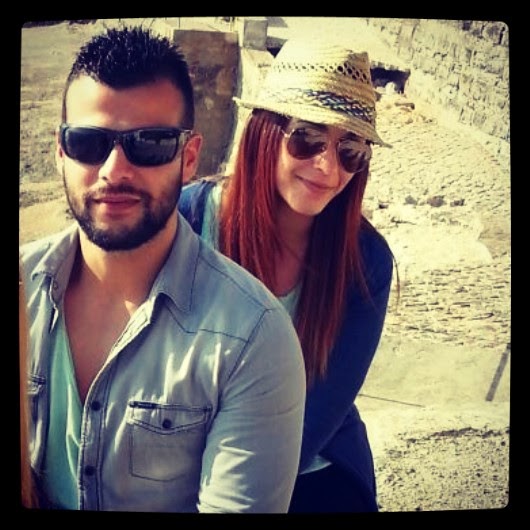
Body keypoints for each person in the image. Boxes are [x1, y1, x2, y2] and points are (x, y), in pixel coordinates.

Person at [19, 25, 306, 513]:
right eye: (88, 143)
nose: (114, 170)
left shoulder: (251, 338)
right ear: (60, 152)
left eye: (149, 143)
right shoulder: (24, 288)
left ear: (189, 158)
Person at [179, 37, 395, 512]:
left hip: (309, 469)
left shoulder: (367, 262)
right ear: (264, 131)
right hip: (182, 458)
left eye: (351, 151)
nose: (328, 167)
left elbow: (318, 414)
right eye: (308, 138)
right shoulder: (188, 222)